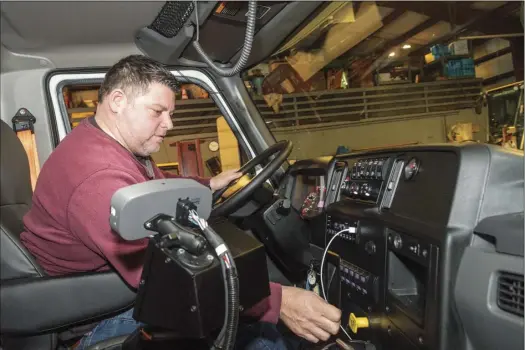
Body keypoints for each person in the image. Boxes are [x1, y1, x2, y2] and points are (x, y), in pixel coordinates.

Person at [20, 55, 341, 349]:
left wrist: (209, 184)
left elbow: (160, 187)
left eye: (170, 114)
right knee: (262, 337)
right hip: (94, 320)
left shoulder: (112, 147)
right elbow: (172, 277)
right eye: (158, 112)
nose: (169, 124)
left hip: (114, 294)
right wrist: (279, 303)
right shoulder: (98, 177)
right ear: (118, 101)